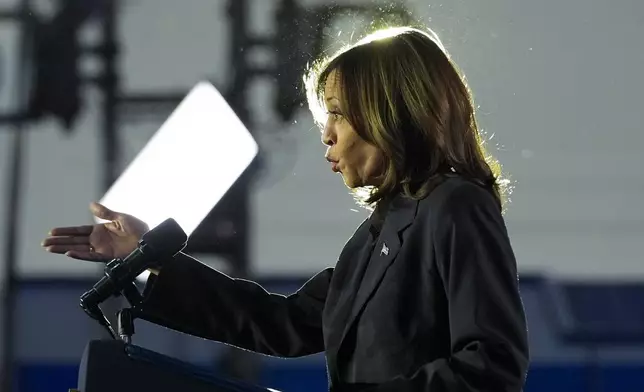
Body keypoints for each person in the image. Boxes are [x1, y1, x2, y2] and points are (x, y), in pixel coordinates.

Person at [42, 26, 529, 391]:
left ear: (391, 109)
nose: (327, 134)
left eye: (337, 112)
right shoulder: (376, 236)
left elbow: (491, 364)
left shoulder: (456, 207)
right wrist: (147, 260)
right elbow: (283, 323)